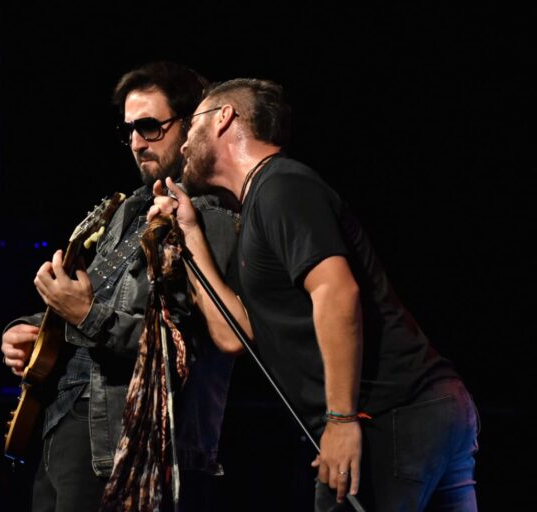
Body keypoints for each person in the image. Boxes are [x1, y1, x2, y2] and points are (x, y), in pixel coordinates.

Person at [148, 78, 480, 511]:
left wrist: (341, 419)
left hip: (391, 415)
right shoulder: (258, 207)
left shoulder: (281, 186)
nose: (184, 144)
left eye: (192, 125)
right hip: (424, 411)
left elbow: (336, 291)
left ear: (224, 118)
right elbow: (234, 335)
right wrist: (190, 231)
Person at [1, 61, 238, 512]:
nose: (136, 142)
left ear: (191, 125)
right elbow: (92, 297)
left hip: (124, 447)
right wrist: (26, 330)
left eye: (149, 127)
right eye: (129, 129)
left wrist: (85, 314)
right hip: (61, 424)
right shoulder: (128, 209)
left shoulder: (210, 217)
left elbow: (183, 349)